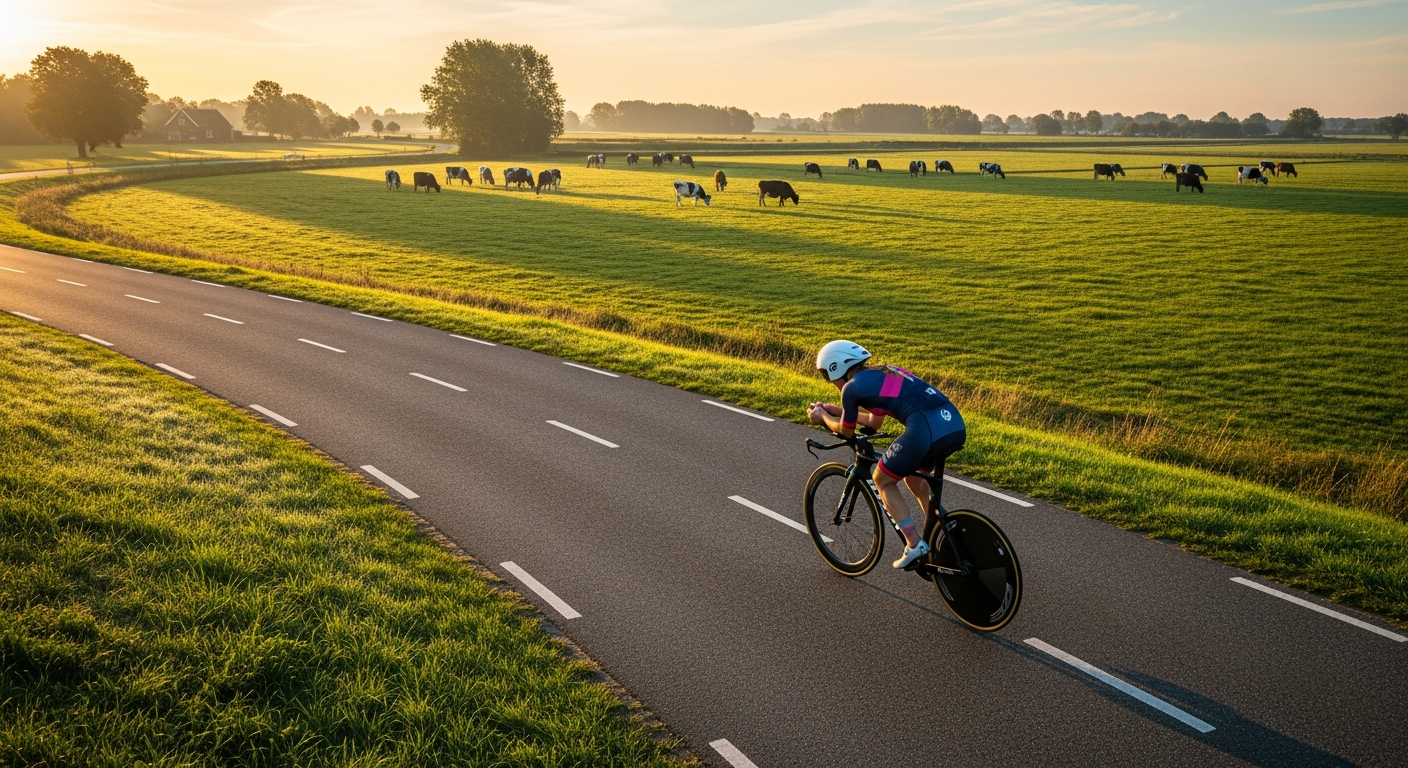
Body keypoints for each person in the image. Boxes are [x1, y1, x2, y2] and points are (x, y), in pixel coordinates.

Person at [808, 341, 966, 569]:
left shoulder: (851, 388)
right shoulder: (885, 372)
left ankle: (914, 545)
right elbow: (874, 419)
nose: (830, 381)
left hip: (925, 430)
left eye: (826, 375)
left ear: (835, 368)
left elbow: (846, 431)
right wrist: (838, 411)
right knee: (914, 480)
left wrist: (822, 416)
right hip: (952, 425)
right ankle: (946, 532)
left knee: (882, 480)